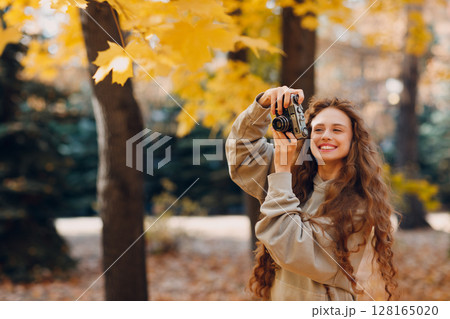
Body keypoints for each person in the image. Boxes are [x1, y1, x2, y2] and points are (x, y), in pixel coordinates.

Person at [225, 86, 399, 301]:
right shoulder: (295, 173)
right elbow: (241, 154)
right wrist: (263, 103)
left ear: (353, 140)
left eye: (337, 130)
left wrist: (281, 171)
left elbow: (293, 249)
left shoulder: (359, 203)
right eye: (318, 130)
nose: (326, 136)